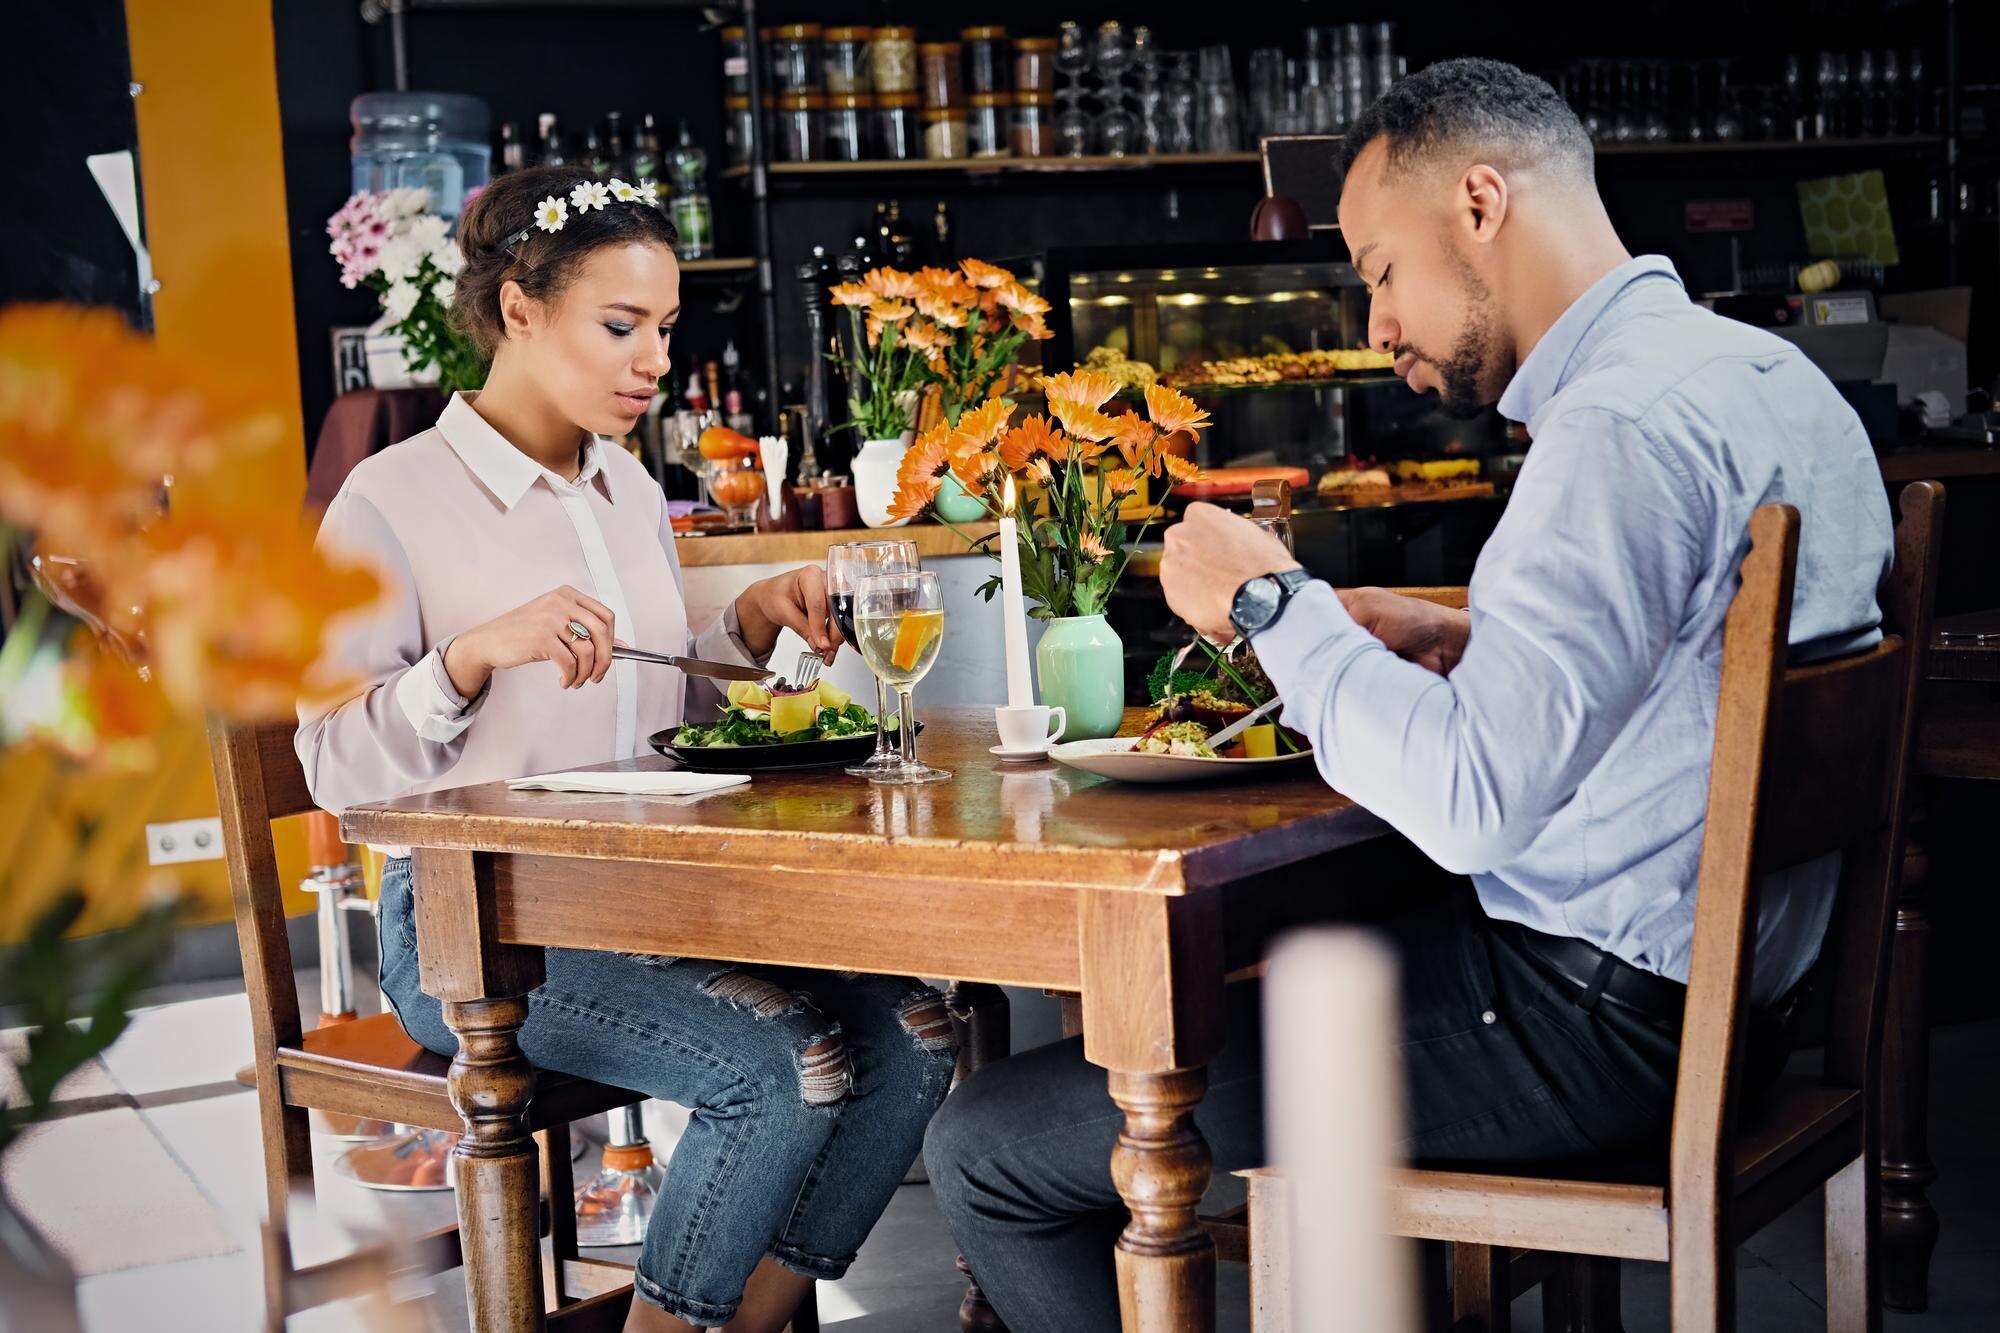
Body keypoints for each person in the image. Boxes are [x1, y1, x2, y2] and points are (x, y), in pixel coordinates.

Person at [923, 57, 1894, 1331]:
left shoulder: (1615, 427)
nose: (1376, 325)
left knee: (990, 1143)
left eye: (1380, 270)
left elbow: (1469, 805)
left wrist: (1275, 605)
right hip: (1735, 1008)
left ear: (1480, 203)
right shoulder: (1759, 378)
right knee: (1276, 983)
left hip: (1589, 1030)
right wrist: (1460, 623)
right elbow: (1702, 650)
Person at [297, 164, 955, 1333]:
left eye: (662, 327)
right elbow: (334, 765)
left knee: (912, 1034)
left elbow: (644, 695)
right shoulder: (386, 501)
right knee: (780, 1065)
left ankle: (742, 1323)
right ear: (517, 310)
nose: (654, 359)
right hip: (473, 928)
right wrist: (467, 657)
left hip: (651, 900)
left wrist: (743, 626)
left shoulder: (628, 490)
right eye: (620, 327)